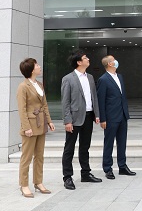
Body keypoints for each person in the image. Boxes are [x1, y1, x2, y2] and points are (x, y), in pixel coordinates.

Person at [61, 50, 101, 190]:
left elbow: (93, 97)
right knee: (69, 148)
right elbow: (65, 102)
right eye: (85, 58)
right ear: (79, 62)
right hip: (74, 118)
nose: (88, 59)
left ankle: (85, 173)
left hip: (89, 116)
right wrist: (67, 121)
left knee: (85, 147)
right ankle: (67, 177)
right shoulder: (68, 79)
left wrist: (97, 114)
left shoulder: (90, 77)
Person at [16, 58, 55, 198]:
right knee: (26, 157)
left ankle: (38, 182)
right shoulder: (23, 86)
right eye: (37, 65)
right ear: (32, 70)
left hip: (41, 124)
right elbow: (22, 109)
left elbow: (44, 105)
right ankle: (24, 184)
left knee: (39, 156)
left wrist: (49, 121)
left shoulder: (39, 84)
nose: (39, 66)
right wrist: (26, 127)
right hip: (30, 126)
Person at [97, 55, 135, 179]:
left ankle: (122, 166)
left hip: (122, 115)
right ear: (109, 64)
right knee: (109, 143)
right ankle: (107, 168)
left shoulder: (120, 77)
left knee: (122, 142)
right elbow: (101, 100)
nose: (116, 61)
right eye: (113, 60)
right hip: (111, 117)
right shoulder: (103, 79)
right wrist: (103, 118)